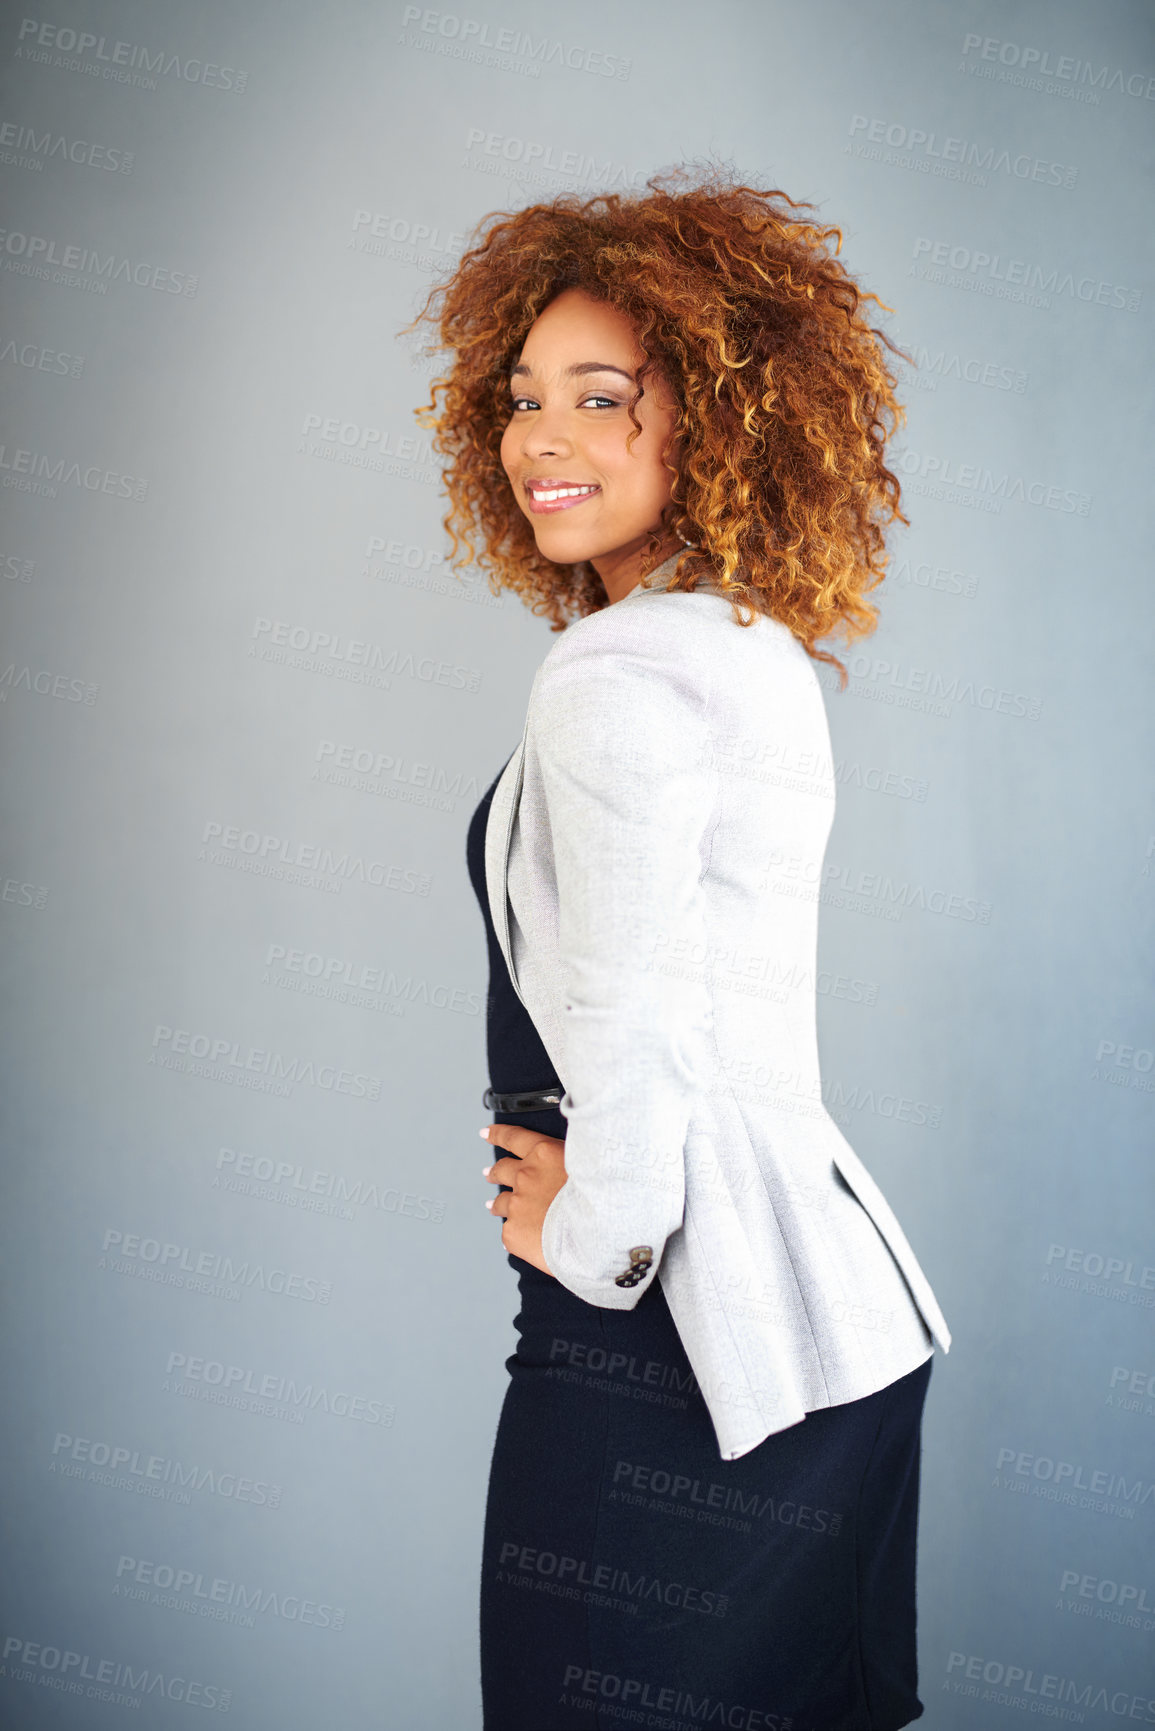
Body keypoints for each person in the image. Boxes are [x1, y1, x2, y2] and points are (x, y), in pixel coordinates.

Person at [410, 166, 952, 1731]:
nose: (542, 443)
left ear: (714, 424)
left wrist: (591, 1237)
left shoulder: (608, 682)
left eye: (601, 397)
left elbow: (641, 1021)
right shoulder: (745, 651)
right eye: (521, 401)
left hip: (668, 1348)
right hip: (825, 1337)